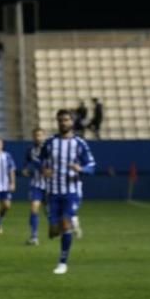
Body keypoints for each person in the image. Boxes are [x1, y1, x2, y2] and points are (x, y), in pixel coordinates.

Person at [42, 109, 96, 274]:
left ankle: (62, 263)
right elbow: (42, 160)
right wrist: (45, 170)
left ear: (71, 122)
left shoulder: (79, 143)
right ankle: (70, 223)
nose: (63, 123)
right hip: (53, 192)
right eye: (60, 120)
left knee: (65, 224)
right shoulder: (50, 142)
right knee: (54, 231)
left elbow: (92, 166)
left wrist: (81, 168)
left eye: (66, 120)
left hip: (71, 192)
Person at [23, 128, 47, 244]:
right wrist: (26, 170)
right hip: (36, 184)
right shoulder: (30, 150)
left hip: (50, 185)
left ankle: (62, 229)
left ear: (44, 136)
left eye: (40, 135)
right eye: (36, 135)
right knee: (34, 208)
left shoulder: (50, 149)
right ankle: (34, 236)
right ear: (33, 137)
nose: (38, 137)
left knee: (49, 212)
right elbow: (26, 164)